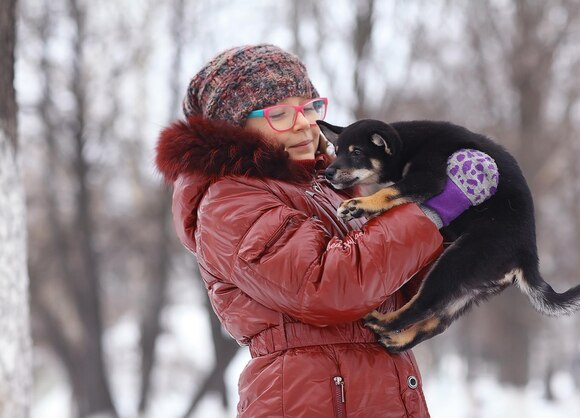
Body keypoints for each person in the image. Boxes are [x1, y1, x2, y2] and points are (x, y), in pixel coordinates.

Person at [155, 44, 497, 417]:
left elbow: (392, 293)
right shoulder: (231, 202)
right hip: (309, 401)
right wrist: (430, 211)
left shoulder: (330, 189)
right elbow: (328, 286)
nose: (304, 123)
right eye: (280, 114)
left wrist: (460, 232)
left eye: (309, 108)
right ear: (234, 128)